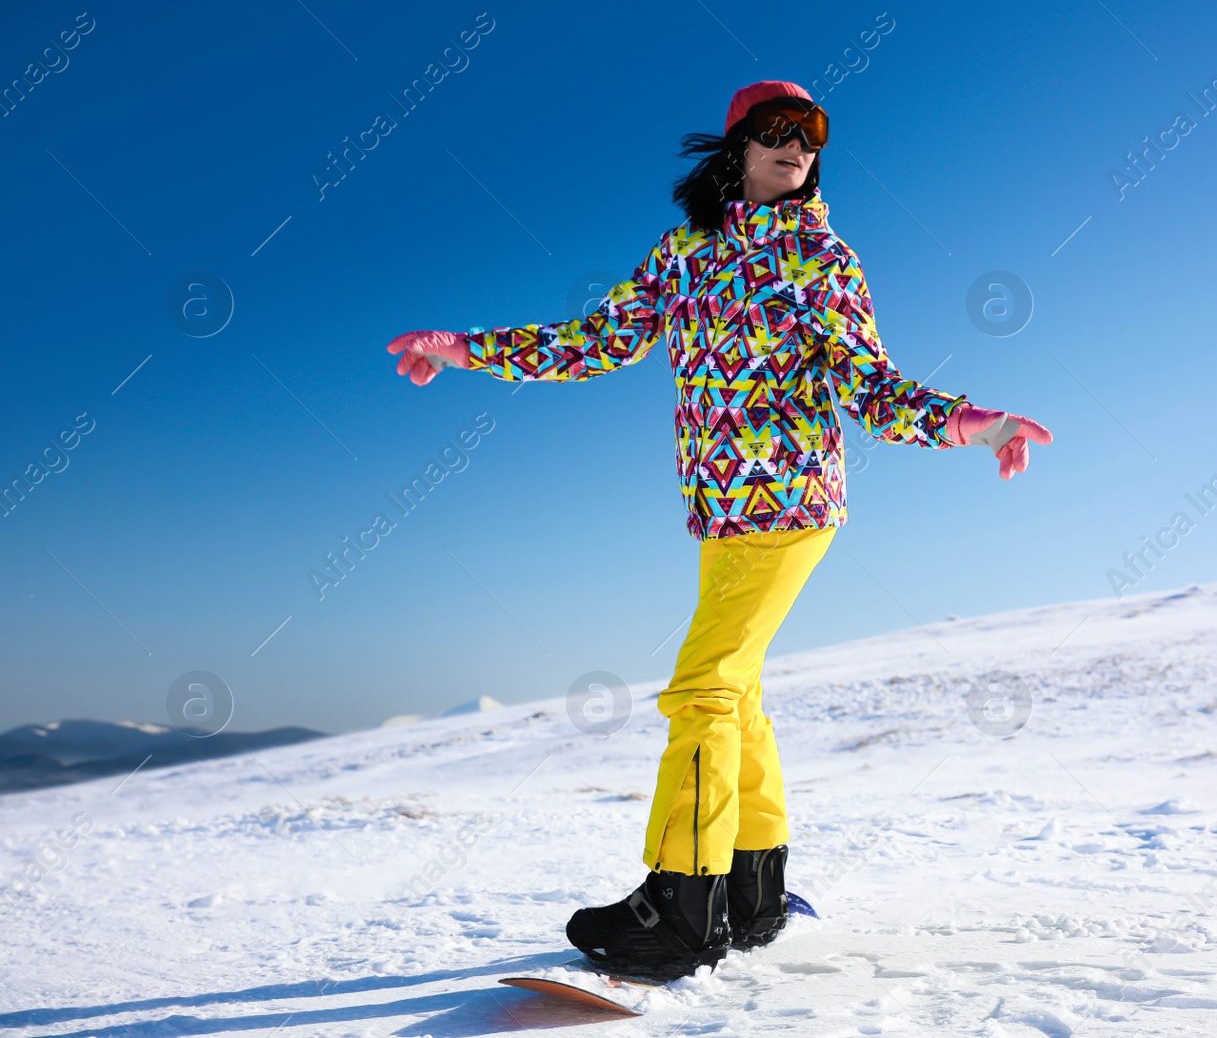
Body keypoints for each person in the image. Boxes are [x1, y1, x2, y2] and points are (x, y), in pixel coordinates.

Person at [387, 80, 1051, 979]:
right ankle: (754, 887)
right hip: (723, 515)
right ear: (737, 145)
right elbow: (598, 339)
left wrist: (978, 423)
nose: (797, 148)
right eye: (778, 132)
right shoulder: (689, 250)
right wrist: (464, 349)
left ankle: (680, 903)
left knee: (700, 690)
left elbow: (870, 385)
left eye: (812, 136)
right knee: (735, 693)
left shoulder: (824, 260)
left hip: (792, 506)